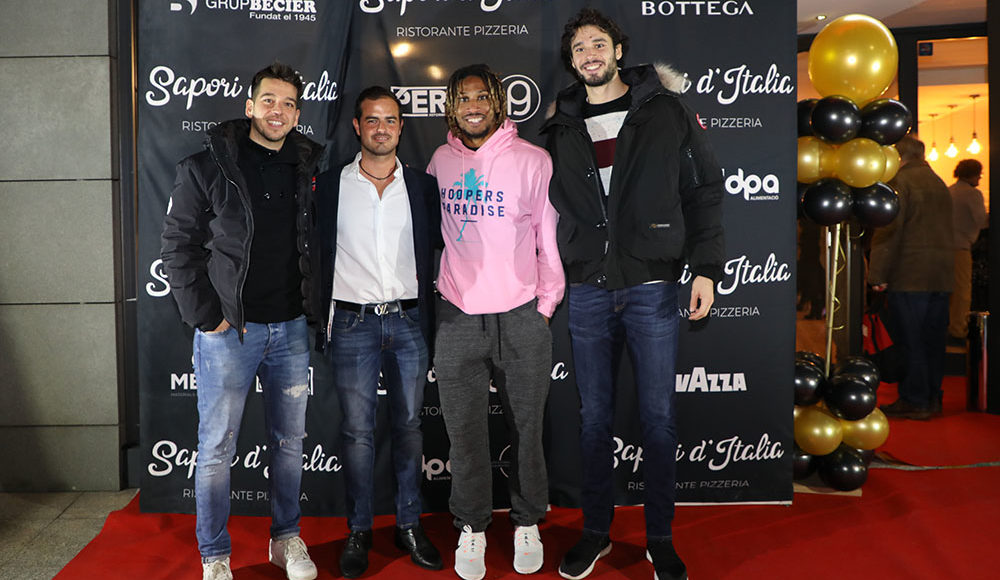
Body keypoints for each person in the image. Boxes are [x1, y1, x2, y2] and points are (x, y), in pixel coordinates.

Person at [541, 9, 724, 580]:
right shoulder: (559, 123)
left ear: (619, 50)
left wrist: (705, 268)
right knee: (593, 418)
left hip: (651, 284)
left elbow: (703, 189)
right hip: (589, 288)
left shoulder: (664, 110)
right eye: (579, 48)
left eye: (599, 43)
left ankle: (659, 538)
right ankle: (595, 532)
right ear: (571, 61)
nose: (589, 54)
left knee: (658, 418)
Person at [160, 62, 323, 580]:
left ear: (297, 114)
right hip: (230, 333)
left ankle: (285, 539)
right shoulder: (205, 166)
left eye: (289, 104)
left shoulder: (307, 166)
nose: (278, 111)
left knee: (290, 445)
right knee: (215, 448)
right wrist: (208, 318)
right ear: (250, 106)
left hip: (291, 330)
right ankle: (214, 556)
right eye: (269, 101)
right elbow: (178, 247)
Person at [427, 63, 564, 580]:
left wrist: (545, 306)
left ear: (498, 103)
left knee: (527, 428)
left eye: (482, 96)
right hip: (457, 313)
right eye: (464, 98)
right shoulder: (440, 161)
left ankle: (527, 521)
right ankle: (472, 526)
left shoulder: (533, 160)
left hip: (522, 313)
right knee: (463, 433)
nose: (473, 106)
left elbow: (548, 237)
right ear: (451, 106)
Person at [310, 86, 443, 578]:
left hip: (409, 321)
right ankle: (359, 529)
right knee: (358, 433)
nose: (381, 129)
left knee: (409, 427)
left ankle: (409, 524)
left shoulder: (423, 187)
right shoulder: (328, 187)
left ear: (401, 127)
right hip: (352, 323)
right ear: (357, 126)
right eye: (372, 120)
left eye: (390, 120)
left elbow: (439, 248)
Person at [870, 136, 954, 420]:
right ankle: (932, 397)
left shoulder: (900, 183)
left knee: (911, 339)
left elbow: (889, 231)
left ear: (897, 157)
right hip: (941, 274)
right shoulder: (939, 182)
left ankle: (915, 399)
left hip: (910, 274)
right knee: (933, 340)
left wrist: (877, 274)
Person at [947, 159, 988, 343]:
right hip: (961, 247)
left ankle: (948, 326)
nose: (980, 178)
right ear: (973, 174)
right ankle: (958, 329)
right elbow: (981, 221)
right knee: (962, 291)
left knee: (949, 291)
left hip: (944, 248)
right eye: (979, 174)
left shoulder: (950, 191)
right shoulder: (973, 194)